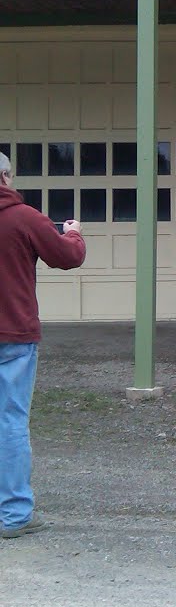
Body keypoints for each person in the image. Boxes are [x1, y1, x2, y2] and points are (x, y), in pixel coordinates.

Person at [0, 151, 86, 539]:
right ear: (6, 177)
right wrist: (73, 232)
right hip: (14, 336)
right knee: (10, 423)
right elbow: (68, 257)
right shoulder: (24, 217)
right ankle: (15, 515)